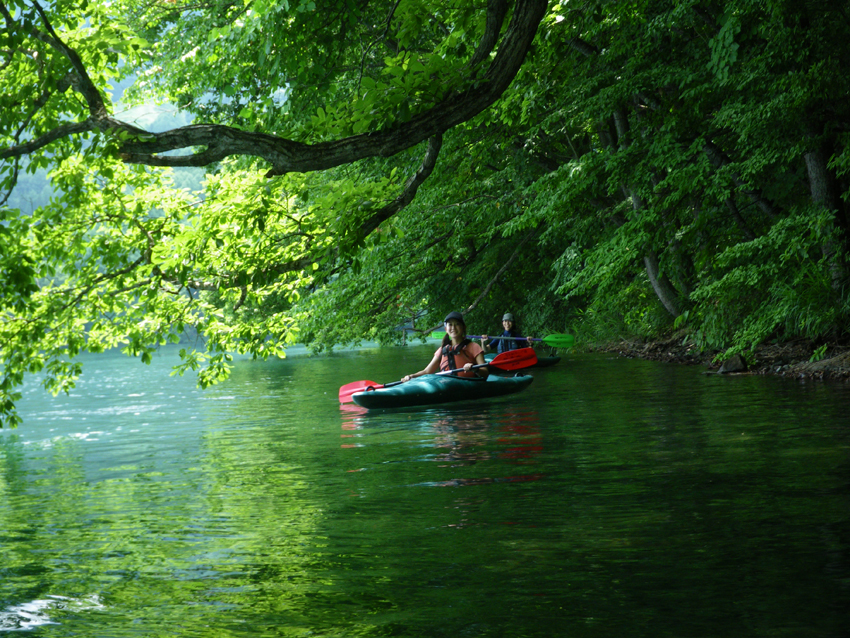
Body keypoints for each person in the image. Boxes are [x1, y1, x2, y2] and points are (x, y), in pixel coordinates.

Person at [402, 311, 489, 381]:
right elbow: (427, 371)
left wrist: (474, 369)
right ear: (446, 329)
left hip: (469, 385)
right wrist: (411, 376)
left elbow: (485, 373)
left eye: (457, 324)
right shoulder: (442, 350)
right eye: (450, 324)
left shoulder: (474, 347)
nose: (453, 328)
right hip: (448, 385)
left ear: (463, 327)